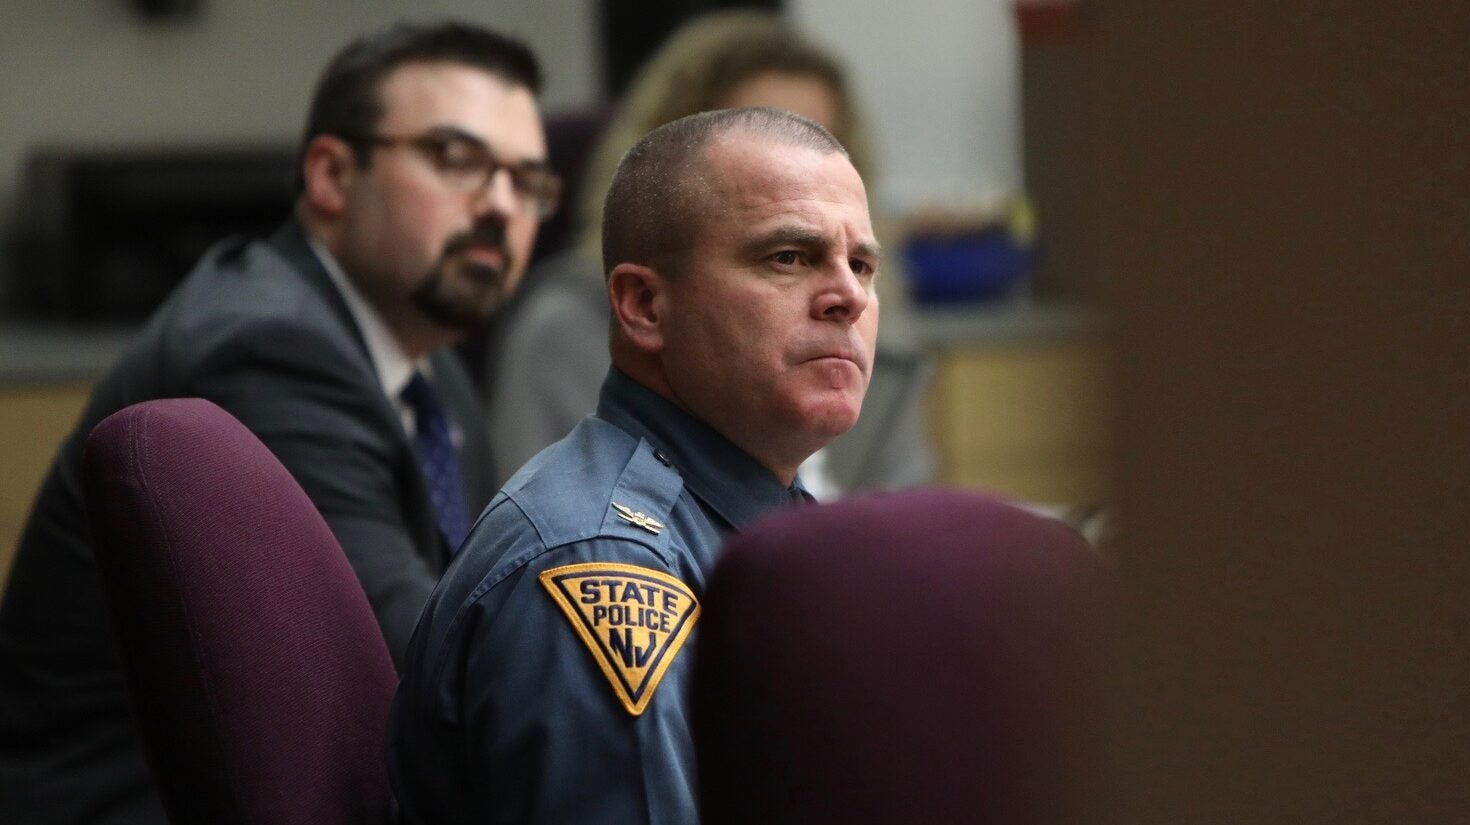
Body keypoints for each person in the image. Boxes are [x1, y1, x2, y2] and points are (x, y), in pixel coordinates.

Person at [0, 20, 556, 823]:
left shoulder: (429, 368)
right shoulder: (268, 347)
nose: (503, 206)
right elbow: (424, 669)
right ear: (331, 174)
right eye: (458, 159)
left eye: (529, 180)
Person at [388, 107, 879, 824]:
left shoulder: (756, 522)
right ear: (644, 304)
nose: (850, 296)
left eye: (860, 263)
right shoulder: (605, 565)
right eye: (789, 257)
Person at [485, 10, 933, 494]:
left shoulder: (875, 337)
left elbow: (909, 543)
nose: (849, 295)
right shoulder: (567, 328)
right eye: (786, 258)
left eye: (819, 141)